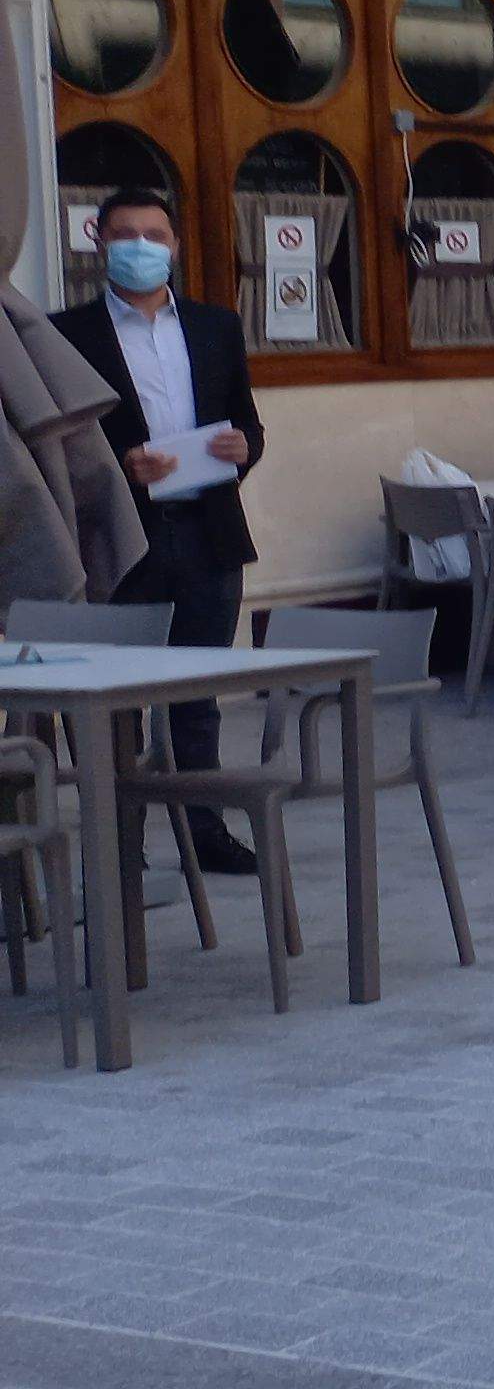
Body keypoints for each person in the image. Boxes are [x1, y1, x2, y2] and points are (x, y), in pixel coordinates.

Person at [59, 187, 267, 877]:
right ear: (99, 242)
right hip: (122, 536)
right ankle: (123, 839)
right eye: (125, 234)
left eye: (154, 234)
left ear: (175, 246)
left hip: (208, 529)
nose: (141, 247)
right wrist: (120, 466)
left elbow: (246, 421)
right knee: (116, 697)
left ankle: (203, 829)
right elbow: (56, 446)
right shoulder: (67, 335)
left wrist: (245, 449)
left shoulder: (215, 326)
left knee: (196, 691)